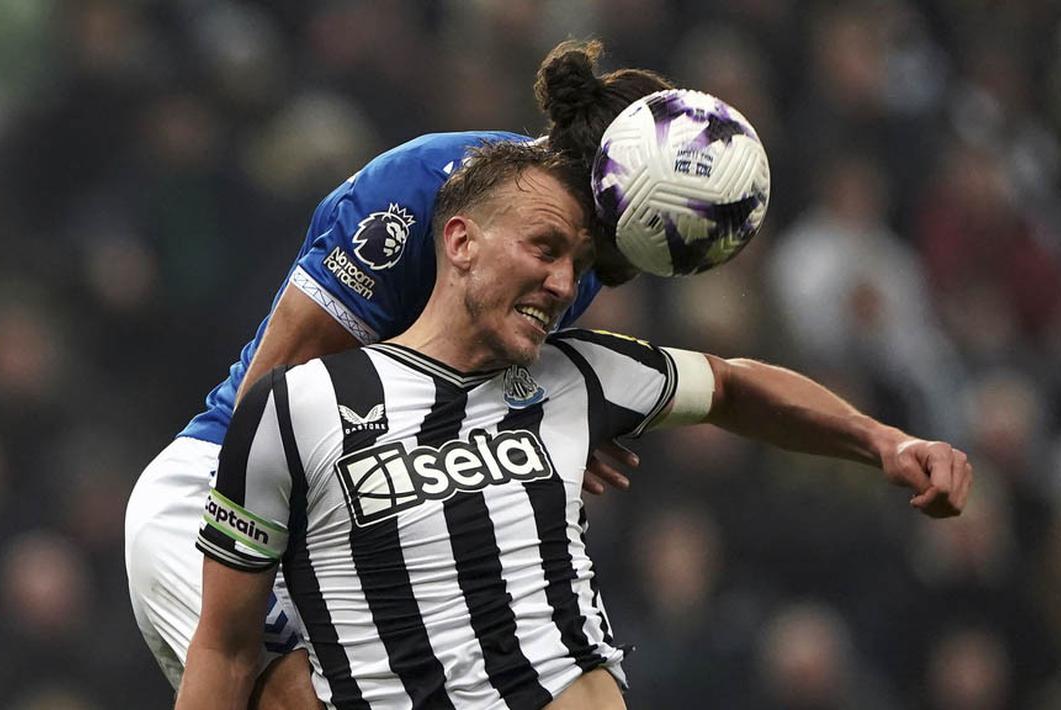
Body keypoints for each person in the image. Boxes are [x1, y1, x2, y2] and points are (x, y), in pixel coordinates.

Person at [176, 141, 972, 709]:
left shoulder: (576, 375)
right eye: (544, 249)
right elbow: (224, 647)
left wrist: (882, 441)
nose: (564, 283)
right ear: (459, 241)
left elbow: (731, 386)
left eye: (578, 264)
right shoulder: (297, 406)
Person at [124, 39, 672, 707]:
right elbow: (265, 406)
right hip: (218, 501)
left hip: (346, 532)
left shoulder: (565, 276)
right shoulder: (419, 188)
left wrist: (540, 423)